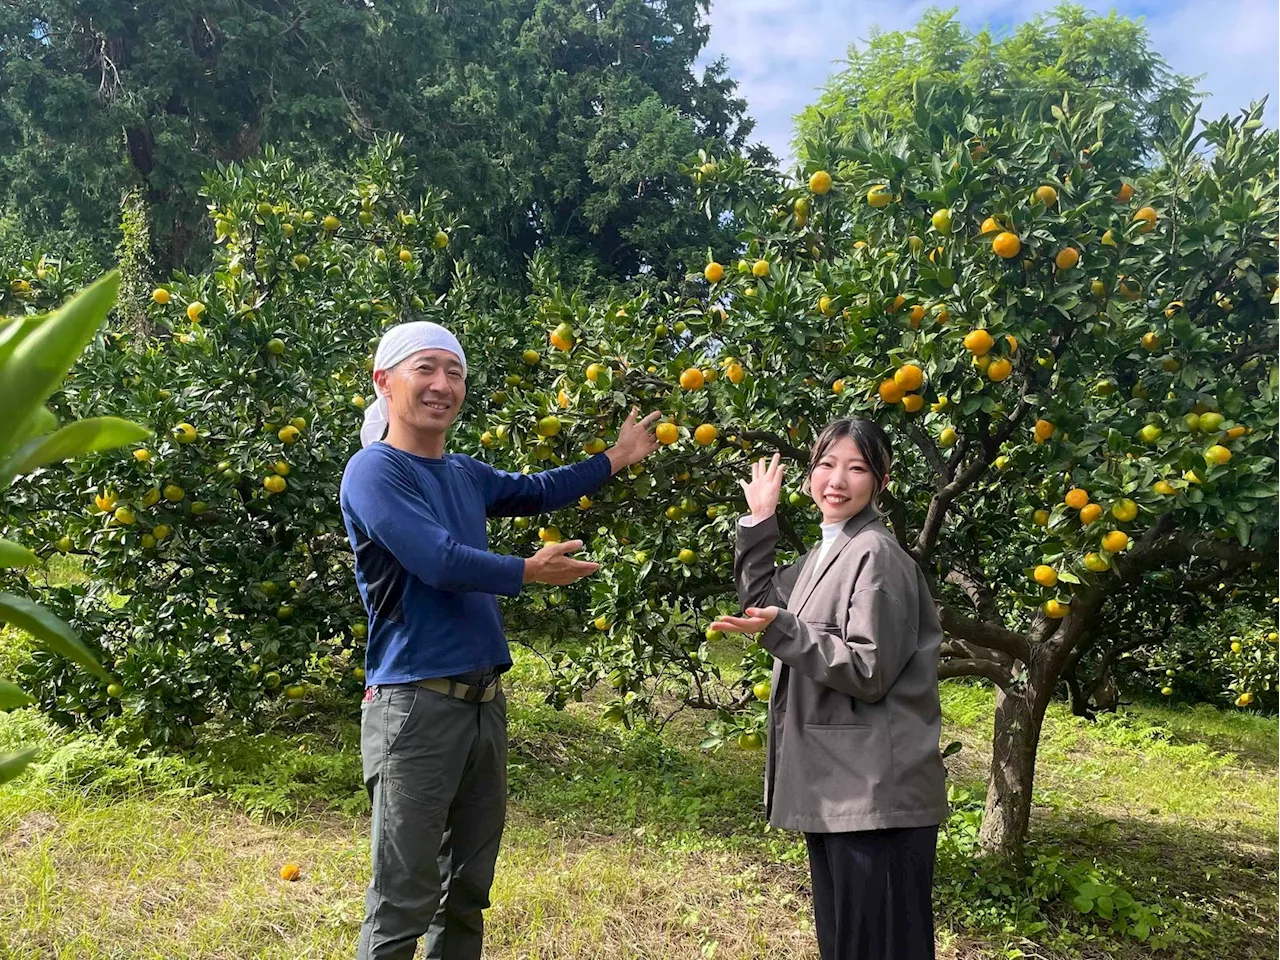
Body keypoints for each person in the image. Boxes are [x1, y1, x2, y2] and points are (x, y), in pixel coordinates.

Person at [339, 320, 660, 960]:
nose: (441, 385)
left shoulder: (463, 473)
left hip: (484, 703)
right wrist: (526, 571)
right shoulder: (374, 472)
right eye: (425, 369)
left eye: (453, 372)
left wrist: (615, 458)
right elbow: (439, 561)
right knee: (404, 896)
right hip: (414, 705)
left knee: (467, 890)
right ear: (384, 381)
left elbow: (539, 490)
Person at [711, 418, 948, 960]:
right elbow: (763, 600)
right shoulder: (828, 552)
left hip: (874, 796)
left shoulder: (876, 555)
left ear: (881, 481)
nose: (837, 479)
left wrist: (780, 628)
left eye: (856, 467)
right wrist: (760, 522)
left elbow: (869, 668)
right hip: (840, 788)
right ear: (809, 475)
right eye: (826, 464)